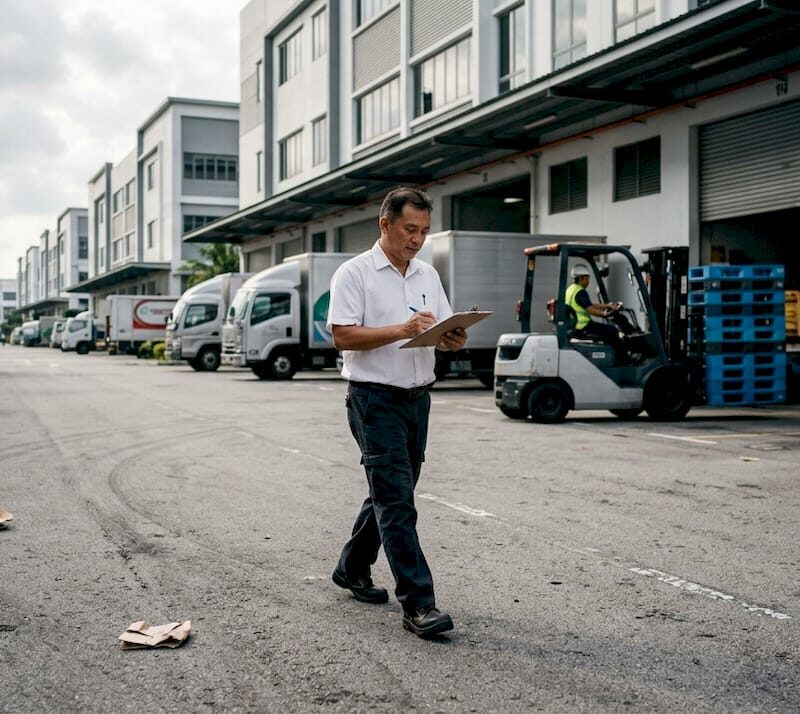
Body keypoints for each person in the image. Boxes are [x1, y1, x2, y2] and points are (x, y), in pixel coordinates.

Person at [327, 186, 467, 639]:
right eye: (410, 229)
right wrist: (400, 330)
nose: (418, 239)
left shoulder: (427, 274)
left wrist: (452, 338)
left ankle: (351, 567)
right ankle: (418, 604)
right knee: (396, 501)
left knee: (391, 492)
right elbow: (344, 337)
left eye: (424, 231)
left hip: (416, 399)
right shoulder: (354, 274)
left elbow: (442, 325)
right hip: (374, 399)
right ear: (384, 224)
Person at [565, 263, 626, 362]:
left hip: (575, 326)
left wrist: (607, 306)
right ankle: (622, 360)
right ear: (581, 278)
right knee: (613, 330)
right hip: (583, 326)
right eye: (587, 278)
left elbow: (589, 305)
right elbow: (590, 309)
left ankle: (612, 357)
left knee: (607, 331)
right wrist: (605, 314)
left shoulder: (571, 289)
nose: (588, 281)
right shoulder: (580, 292)